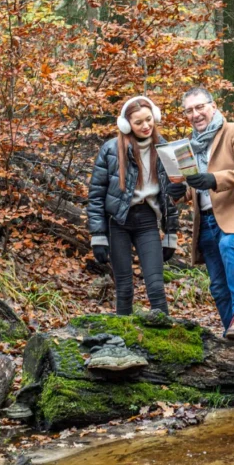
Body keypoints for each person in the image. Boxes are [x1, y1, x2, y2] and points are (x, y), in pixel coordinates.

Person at [87, 96, 187, 315]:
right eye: (138, 122)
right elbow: (96, 195)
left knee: (156, 285)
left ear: (155, 117)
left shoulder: (165, 149)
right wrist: (98, 236)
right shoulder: (111, 150)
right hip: (118, 223)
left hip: (147, 221)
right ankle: (122, 342)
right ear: (126, 125)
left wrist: (171, 234)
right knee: (123, 287)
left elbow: (171, 197)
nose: (146, 126)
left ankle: (164, 338)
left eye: (149, 120)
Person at [180, 86, 234, 339]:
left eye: (200, 107)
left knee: (228, 246)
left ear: (213, 106)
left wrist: (214, 179)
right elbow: (189, 189)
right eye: (189, 110)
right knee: (216, 284)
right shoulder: (186, 148)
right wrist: (178, 193)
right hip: (203, 221)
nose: (196, 114)